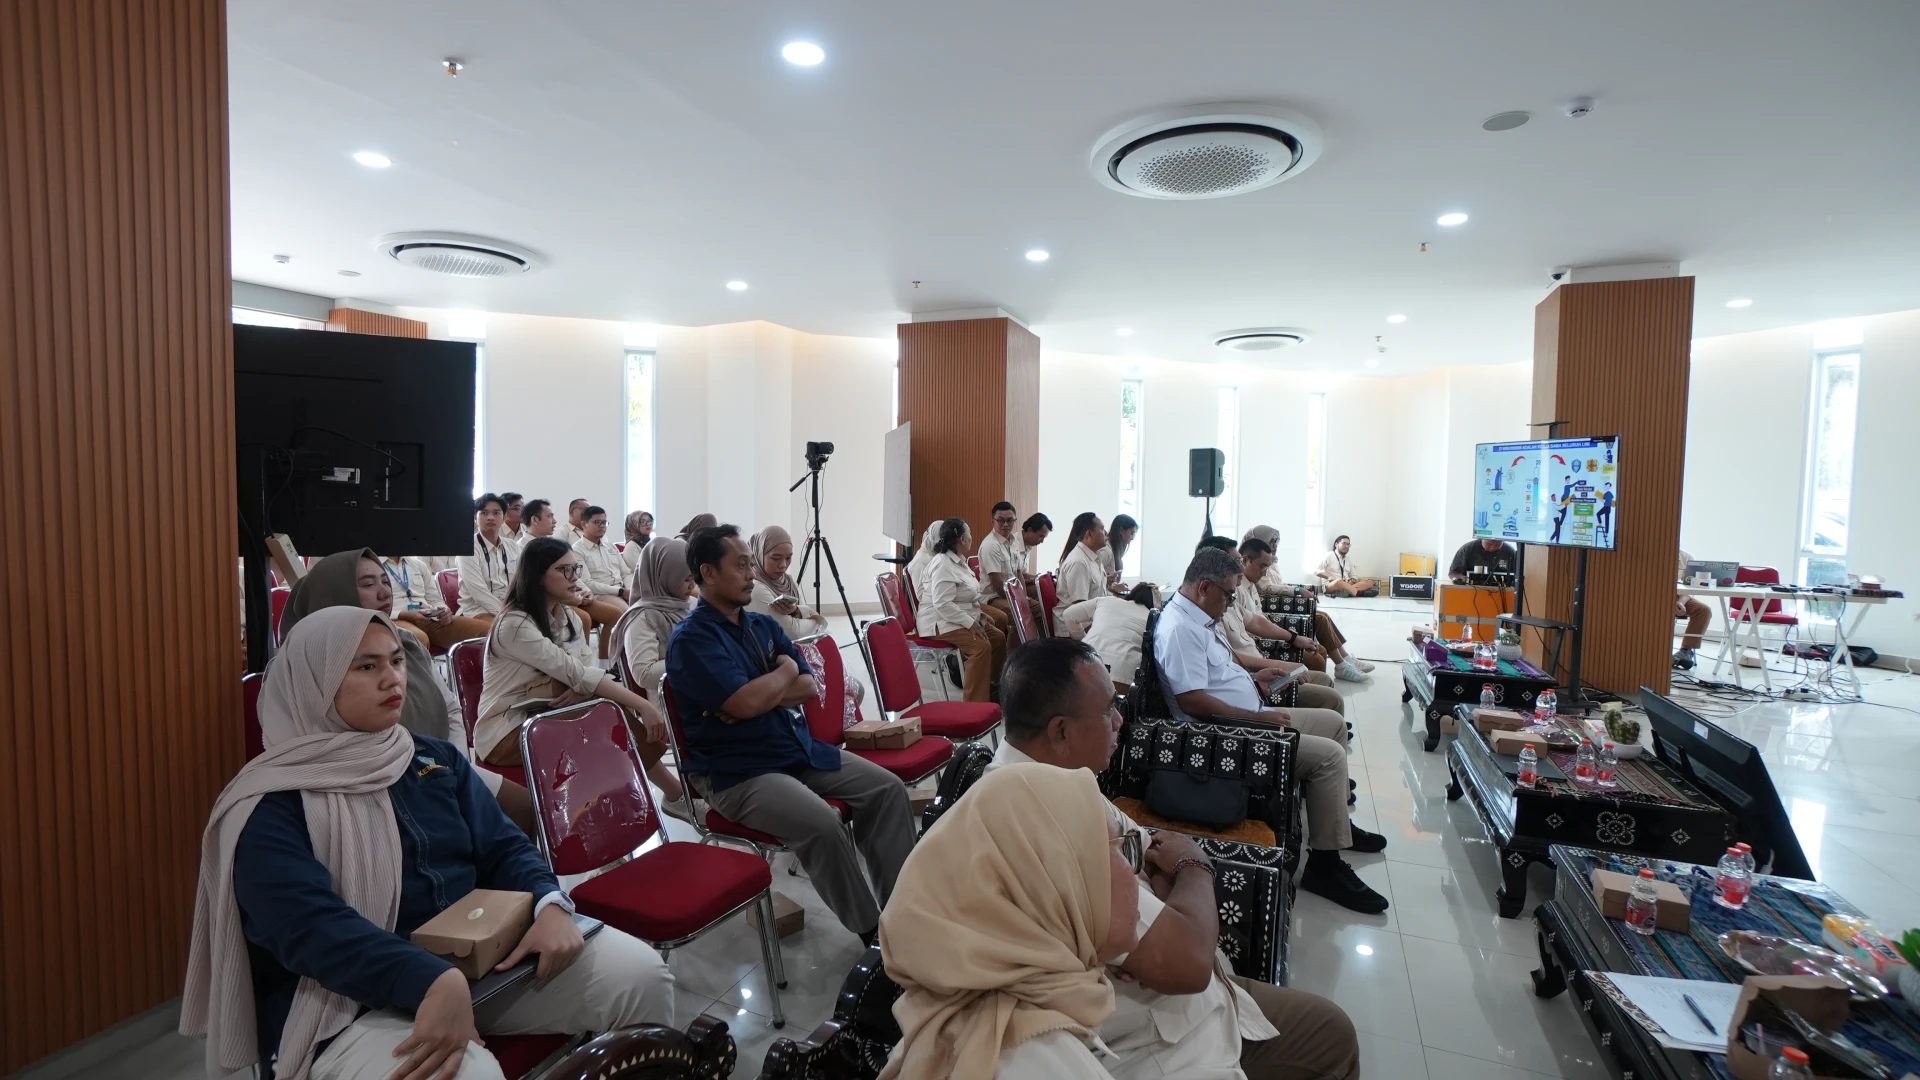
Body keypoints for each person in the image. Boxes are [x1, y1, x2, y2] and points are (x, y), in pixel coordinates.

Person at [181, 607, 673, 1080]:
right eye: (366, 666)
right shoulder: (270, 803)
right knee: (467, 1074)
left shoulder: (429, 757)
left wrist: (548, 903)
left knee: (642, 976)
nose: (392, 678)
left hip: (479, 958)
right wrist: (426, 978)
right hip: (347, 1001)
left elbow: (503, 846)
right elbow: (307, 929)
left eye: (396, 660)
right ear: (314, 682)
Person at [985, 639, 1363, 1079]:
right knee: (1332, 1039)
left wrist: (1166, 900)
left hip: (1173, 983)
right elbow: (1188, 964)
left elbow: (1149, 847)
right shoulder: (1041, 817)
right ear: (1061, 731)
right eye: (1108, 711)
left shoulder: (1054, 779)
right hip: (1150, 1035)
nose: (1120, 721)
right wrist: (1194, 869)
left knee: (1329, 1028)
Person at [667, 524, 914, 940]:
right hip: (738, 771)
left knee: (887, 789)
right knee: (823, 823)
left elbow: (806, 688)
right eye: (741, 565)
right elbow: (749, 702)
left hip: (791, 748)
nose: (752, 574)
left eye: (751, 565)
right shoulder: (692, 640)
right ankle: (873, 932)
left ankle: (904, 910)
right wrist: (778, 676)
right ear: (708, 573)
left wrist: (763, 689)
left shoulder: (760, 625)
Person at [1155, 546, 1387, 913]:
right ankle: (1324, 867)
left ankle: (1336, 823)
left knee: (1333, 723)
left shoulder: (1198, 616)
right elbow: (1193, 702)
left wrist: (1254, 680)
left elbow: (1219, 673)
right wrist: (1257, 719)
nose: (1231, 603)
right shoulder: (1180, 630)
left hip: (1253, 711)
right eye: (1229, 595)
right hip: (1229, 736)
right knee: (1328, 757)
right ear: (1204, 587)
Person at [877, 762, 1137, 1080]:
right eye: (1120, 849)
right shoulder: (1035, 1062)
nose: (1133, 872)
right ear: (1052, 888)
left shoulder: (1018, 1005)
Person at [282, 549, 534, 834]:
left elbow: (450, 708)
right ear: (334, 592)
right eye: (368, 584)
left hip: (434, 761)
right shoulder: (311, 658)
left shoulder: (405, 641)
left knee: (522, 806)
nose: (383, 592)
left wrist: (454, 765)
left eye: (385, 581)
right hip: (372, 773)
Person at [473, 538, 682, 804]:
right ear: (537, 575)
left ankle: (630, 802)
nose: (574, 577)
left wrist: (584, 689)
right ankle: (672, 794)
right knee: (608, 712)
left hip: (547, 713)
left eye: (576, 569)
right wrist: (643, 705)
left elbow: (584, 671)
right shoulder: (515, 624)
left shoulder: (569, 616)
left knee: (605, 710)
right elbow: (579, 675)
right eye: (564, 570)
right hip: (508, 732)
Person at [1198, 537, 1355, 709]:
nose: (1240, 569)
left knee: (1324, 678)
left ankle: (1343, 662)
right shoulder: (1207, 612)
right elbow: (1226, 661)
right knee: (1332, 698)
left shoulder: (1232, 595)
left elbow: (1256, 621)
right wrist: (1279, 664)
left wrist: (1294, 638)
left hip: (1261, 665)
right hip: (1253, 680)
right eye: (1236, 563)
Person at [1241, 526, 1374, 677]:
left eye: (1276, 541)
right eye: (1271, 541)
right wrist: (1298, 590)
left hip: (1266, 619)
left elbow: (1276, 589)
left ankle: (1345, 659)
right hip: (1272, 613)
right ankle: (1342, 663)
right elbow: (1267, 590)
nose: (1275, 545)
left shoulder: (1268, 565)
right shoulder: (1245, 580)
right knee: (1320, 620)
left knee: (1323, 626)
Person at [915, 517, 1008, 702]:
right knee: (980, 647)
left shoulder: (957, 560)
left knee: (997, 637)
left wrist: (978, 616)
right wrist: (970, 623)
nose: (972, 538)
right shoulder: (943, 564)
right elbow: (942, 604)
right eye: (969, 534)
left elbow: (965, 596)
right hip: (938, 622)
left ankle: (994, 688)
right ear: (962, 539)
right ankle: (975, 703)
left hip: (954, 616)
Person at [622, 538, 697, 697]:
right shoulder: (642, 617)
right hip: (672, 703)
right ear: (665, 576)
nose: (693, 586)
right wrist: (693, 657)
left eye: (694, 578)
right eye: (686, 579)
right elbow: (644, 675)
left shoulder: (690, 604)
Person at [377, 552, 491, 653]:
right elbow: (370, 607)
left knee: (488, 630)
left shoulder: (417, 565)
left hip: (428, 617)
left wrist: (443, 610)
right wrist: (403, 614)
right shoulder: (373, 566)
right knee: (417, 638)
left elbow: (434, 599)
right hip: (396, 619)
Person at [746, 525, 829, 640]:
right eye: (776, 558)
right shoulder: (754, 588)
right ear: (758, 554)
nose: (783, 565)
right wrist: (815, 619)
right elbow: (793, 633)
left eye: (788, 558)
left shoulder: (788, 581)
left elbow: (808, 631)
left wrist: (796, 611)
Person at [571, 505, 628, 658]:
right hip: (600, 594)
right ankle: (608, 661)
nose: (602, 526)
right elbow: (588, 583)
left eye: (604, 522)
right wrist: (621, 592)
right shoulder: (577, 550)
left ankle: (632, 657)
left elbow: (626, 572)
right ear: (584, 524)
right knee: (626, 613)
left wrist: (630, 590)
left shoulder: (610, 547)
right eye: (597, 522)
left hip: (621, 590)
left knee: (647, 608)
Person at [977, 501, 1043, 625]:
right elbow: (997, 584)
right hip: (994, 597)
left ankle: (1039, 639)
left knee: (1038, 609)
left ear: (1015, 521)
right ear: (993, 521)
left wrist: (1023, 597)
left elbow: (1019, 574)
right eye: (1001, 520)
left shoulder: (1014, 542)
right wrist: (1018, 600)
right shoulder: (990, 545)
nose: (1006, 524)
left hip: (1012, 594)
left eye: (1010, 520)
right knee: (1019, 613)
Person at [455, 492, 515, 625]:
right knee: (510, 629)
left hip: (510, 608)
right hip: (477, 611)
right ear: (475, 518)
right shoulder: (467, 548)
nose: (490, 518)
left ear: (504, 517)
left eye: (496, 513)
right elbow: (479, 593)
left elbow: (522, 582)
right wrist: (508, 614)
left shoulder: (513, 546)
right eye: (484, 513)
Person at [1083, 583, 1156, 689]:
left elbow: (1068, 615)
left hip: (1086, 663)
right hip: (1123, 675)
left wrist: (1081, 637)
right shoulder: (1152, 616)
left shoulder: (1107, 601)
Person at [1054, 512, 1114, 637]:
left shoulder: (1094, 557)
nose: (1106, 533)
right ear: (1089, 534)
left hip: (1092, 622)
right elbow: (1079, 611)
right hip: (1075, 631)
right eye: (1102, 529)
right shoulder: (1079, 562)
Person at [1674, 547, 1711, 671]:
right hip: (1654, 595)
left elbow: (1689, 587)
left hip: (1679, 596)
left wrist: (1681, 602)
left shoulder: (1687, 557)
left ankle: (1685, 651)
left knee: (1703, 610)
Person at [1315, 535, 1381, 597]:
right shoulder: (1329, 556)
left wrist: (1349, 584)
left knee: (1369, 582)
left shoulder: (1348, 560)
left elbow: (1354, 576)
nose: (1346, 546)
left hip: (1347, 584)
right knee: (1338, 581)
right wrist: (1328, 577)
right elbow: (1316, 571)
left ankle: (1346, 592)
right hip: (1332, 585)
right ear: (1336, 544)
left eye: (1348, 544)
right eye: (1344, 543)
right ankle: (1358, 593)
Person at [1447, 537, 1518, 583]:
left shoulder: (1510, 552)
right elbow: (1453, 572)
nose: (1492, 547)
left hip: (1501, 591)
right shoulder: (1468, 549)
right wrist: (1462, 579)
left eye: (1497, 545)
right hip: (1470, 590)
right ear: (1482, 539)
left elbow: (1517, 575)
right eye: (1488, 544)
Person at [621, 510, 654, 578]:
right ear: (634, 525)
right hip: (640, 581)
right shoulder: (631, 546)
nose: (648, 524)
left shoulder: (650, 542)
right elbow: (639, 571)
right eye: (642, 521)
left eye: (649, 521)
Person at [1107, 513, 1139, 580]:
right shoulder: (1105, 551)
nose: (1132, 538)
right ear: (1121, 530)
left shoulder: (1115, 551)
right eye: (1131, 533)